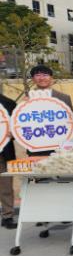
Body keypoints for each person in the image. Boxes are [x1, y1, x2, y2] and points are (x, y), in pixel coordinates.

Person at [0, 94, 16, 229]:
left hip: (3, 152)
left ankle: (7, 216)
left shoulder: (9, 103)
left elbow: (20, 127)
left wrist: (14, 133)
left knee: (5, 185)